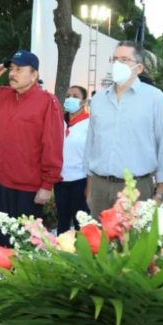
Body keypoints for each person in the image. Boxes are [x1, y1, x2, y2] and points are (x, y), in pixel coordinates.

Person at [0, 50, 64, 247]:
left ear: (34, 75)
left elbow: (52, 145)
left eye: (19, 69)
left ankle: (21, 278)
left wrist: (47, 185)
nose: (12, 73)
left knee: (25, 243)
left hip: (29, 188)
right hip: (1, 183)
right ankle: (2, 275)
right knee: (2, 238)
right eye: (11, 69)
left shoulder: (47, 102)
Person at [84, 41, 163, 217]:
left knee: (133, 243)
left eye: (125, 59)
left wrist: (161, 193)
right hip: (99, 187)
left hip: (136, 188)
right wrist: (90, 186)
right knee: (98, 242)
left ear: (139, 68)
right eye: (115, 59)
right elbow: (91, 143)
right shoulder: (99, 99)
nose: (118, 64)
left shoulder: (155, 98)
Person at [56, 85, 90, 234]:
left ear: (84, 102)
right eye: (68, 95)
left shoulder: (90, 123)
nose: (70, 99)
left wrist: (90, 184)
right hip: (60, 180)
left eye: (75, 96)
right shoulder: (58, 121)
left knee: (81, 224)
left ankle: (82, 255)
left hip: (80, 180)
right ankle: (60, 255)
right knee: (62, 221)